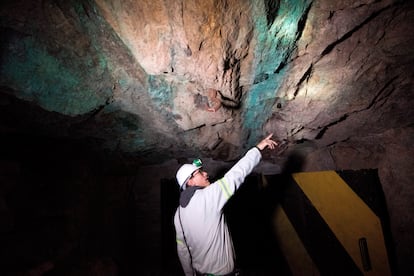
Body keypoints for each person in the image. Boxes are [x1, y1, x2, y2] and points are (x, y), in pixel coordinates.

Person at [174, 134, 278, 276]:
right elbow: (236, 174)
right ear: (190, 182)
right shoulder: (208, 197)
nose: (206, 174)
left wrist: (189, 274)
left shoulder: (178, 214)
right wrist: (258, 148)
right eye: (199, 173)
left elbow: (182, 249)